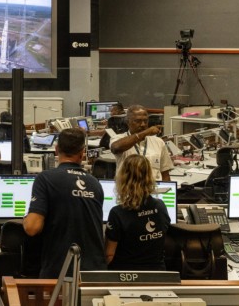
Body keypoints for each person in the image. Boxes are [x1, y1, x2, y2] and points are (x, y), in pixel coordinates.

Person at [24, 128, 106, 277]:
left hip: (60, 272)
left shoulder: (45, 179)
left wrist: (26, 217)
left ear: (56, 150)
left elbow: (32, 227)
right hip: (94, 273)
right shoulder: (95, 183)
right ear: (82, 153)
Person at [105, 154, 171, 270]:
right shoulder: (161, 206)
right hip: (157, 274)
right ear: (149, 177)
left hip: (126, 277)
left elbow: (109, 255)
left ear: (122, 178)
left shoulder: (117, 213)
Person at [110, 105, 173, 182]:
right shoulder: (118, 139)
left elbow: (165, 173)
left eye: (145, 121)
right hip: (127, 190)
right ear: (127, 122)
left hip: (153, 190)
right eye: (138, 121)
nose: (143, 124)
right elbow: (116, 148)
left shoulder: (158, 142)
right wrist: (147, 132)